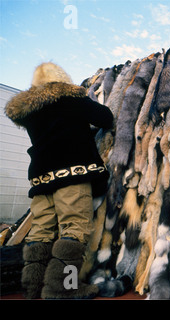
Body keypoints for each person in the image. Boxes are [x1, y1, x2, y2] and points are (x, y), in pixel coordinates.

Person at [5, 62, 114, 299]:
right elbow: (105, 118)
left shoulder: (30, 111)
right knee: (75, 229)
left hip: (41, 179)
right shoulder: (70, 99)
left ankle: (34, 288)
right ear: (62, 79)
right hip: (71, 174)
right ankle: (65, 288)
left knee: (41, 232)